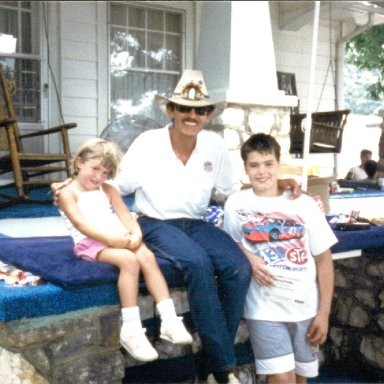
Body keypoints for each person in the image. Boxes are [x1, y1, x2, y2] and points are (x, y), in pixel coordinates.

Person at [53, 70, 300, 384]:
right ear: (170, 111)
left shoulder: (213, 145)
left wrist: (277, 184)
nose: (192, 115)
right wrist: (71, 184)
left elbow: (232, 190)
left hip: (195, 223)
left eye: (200, 110)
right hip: (156, 223)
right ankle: (224, 370)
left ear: (209, 115)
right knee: (196, 264)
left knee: (238, 267)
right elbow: (113, 183)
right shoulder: (148, 142)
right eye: (183, 108)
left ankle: (209, 366)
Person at [57, 138, 192, 363]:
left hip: (118, 236)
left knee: (147, 256)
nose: (99, 177)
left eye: (105, 173)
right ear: (79, 163)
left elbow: (126, 215)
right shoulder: (67, 193)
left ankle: (169, 319)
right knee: (129, 261)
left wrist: (135, 234)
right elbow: (82, 225)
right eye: (95, 169)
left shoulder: (108, 189)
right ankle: (130, 329)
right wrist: (112, 240)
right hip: (91, 242)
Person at [223, 133, 337, 384]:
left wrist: (324, 313)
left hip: (305, 307)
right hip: (263, 308)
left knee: (300, 377)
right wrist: (248, 257)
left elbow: (324, 260)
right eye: (254, 165)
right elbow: (229, 244)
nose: (261, 172)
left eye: (268, 164)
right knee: (281, 378)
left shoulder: (303, 203)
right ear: (245, 168)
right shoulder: (235, 203)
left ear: (278, 164)